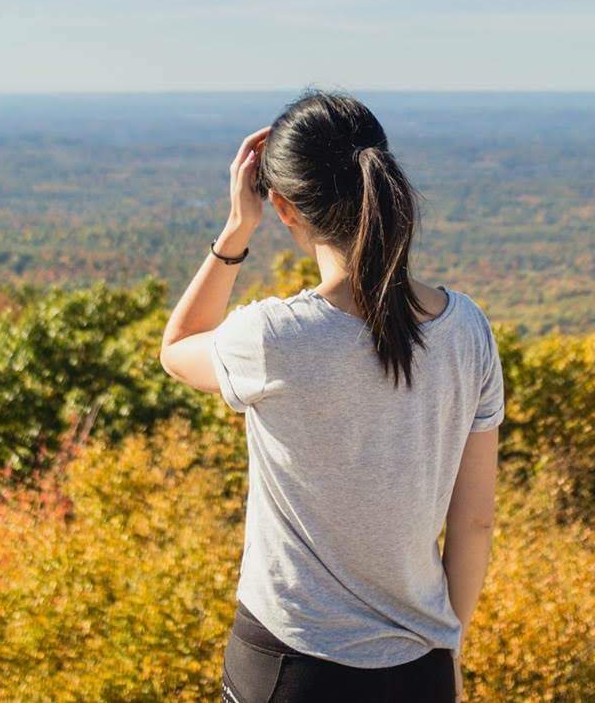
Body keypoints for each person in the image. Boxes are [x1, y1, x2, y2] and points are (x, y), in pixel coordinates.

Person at [159, 88, 505, 703]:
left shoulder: (274, 337)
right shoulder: (467, 330)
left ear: (284, 206)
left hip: (291, 666)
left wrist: (236, 229)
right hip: (420, 668)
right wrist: (448, 649)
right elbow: (474, 521)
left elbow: (178, 347)